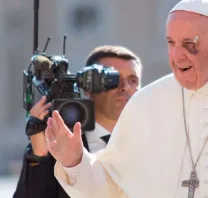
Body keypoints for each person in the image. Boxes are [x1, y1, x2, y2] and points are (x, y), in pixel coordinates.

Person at [45, 0, 208, 197]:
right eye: (171, 43)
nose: (177, 55)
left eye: (190, 44)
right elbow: (114, 188)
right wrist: (76, 161)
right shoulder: (145, 103)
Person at [13, 45, 142, 198]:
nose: (125, 87)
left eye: (133, 80)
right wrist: (39, 157)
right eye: (113, 79)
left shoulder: (152, 144)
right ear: (88, 87)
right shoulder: (58, 147)